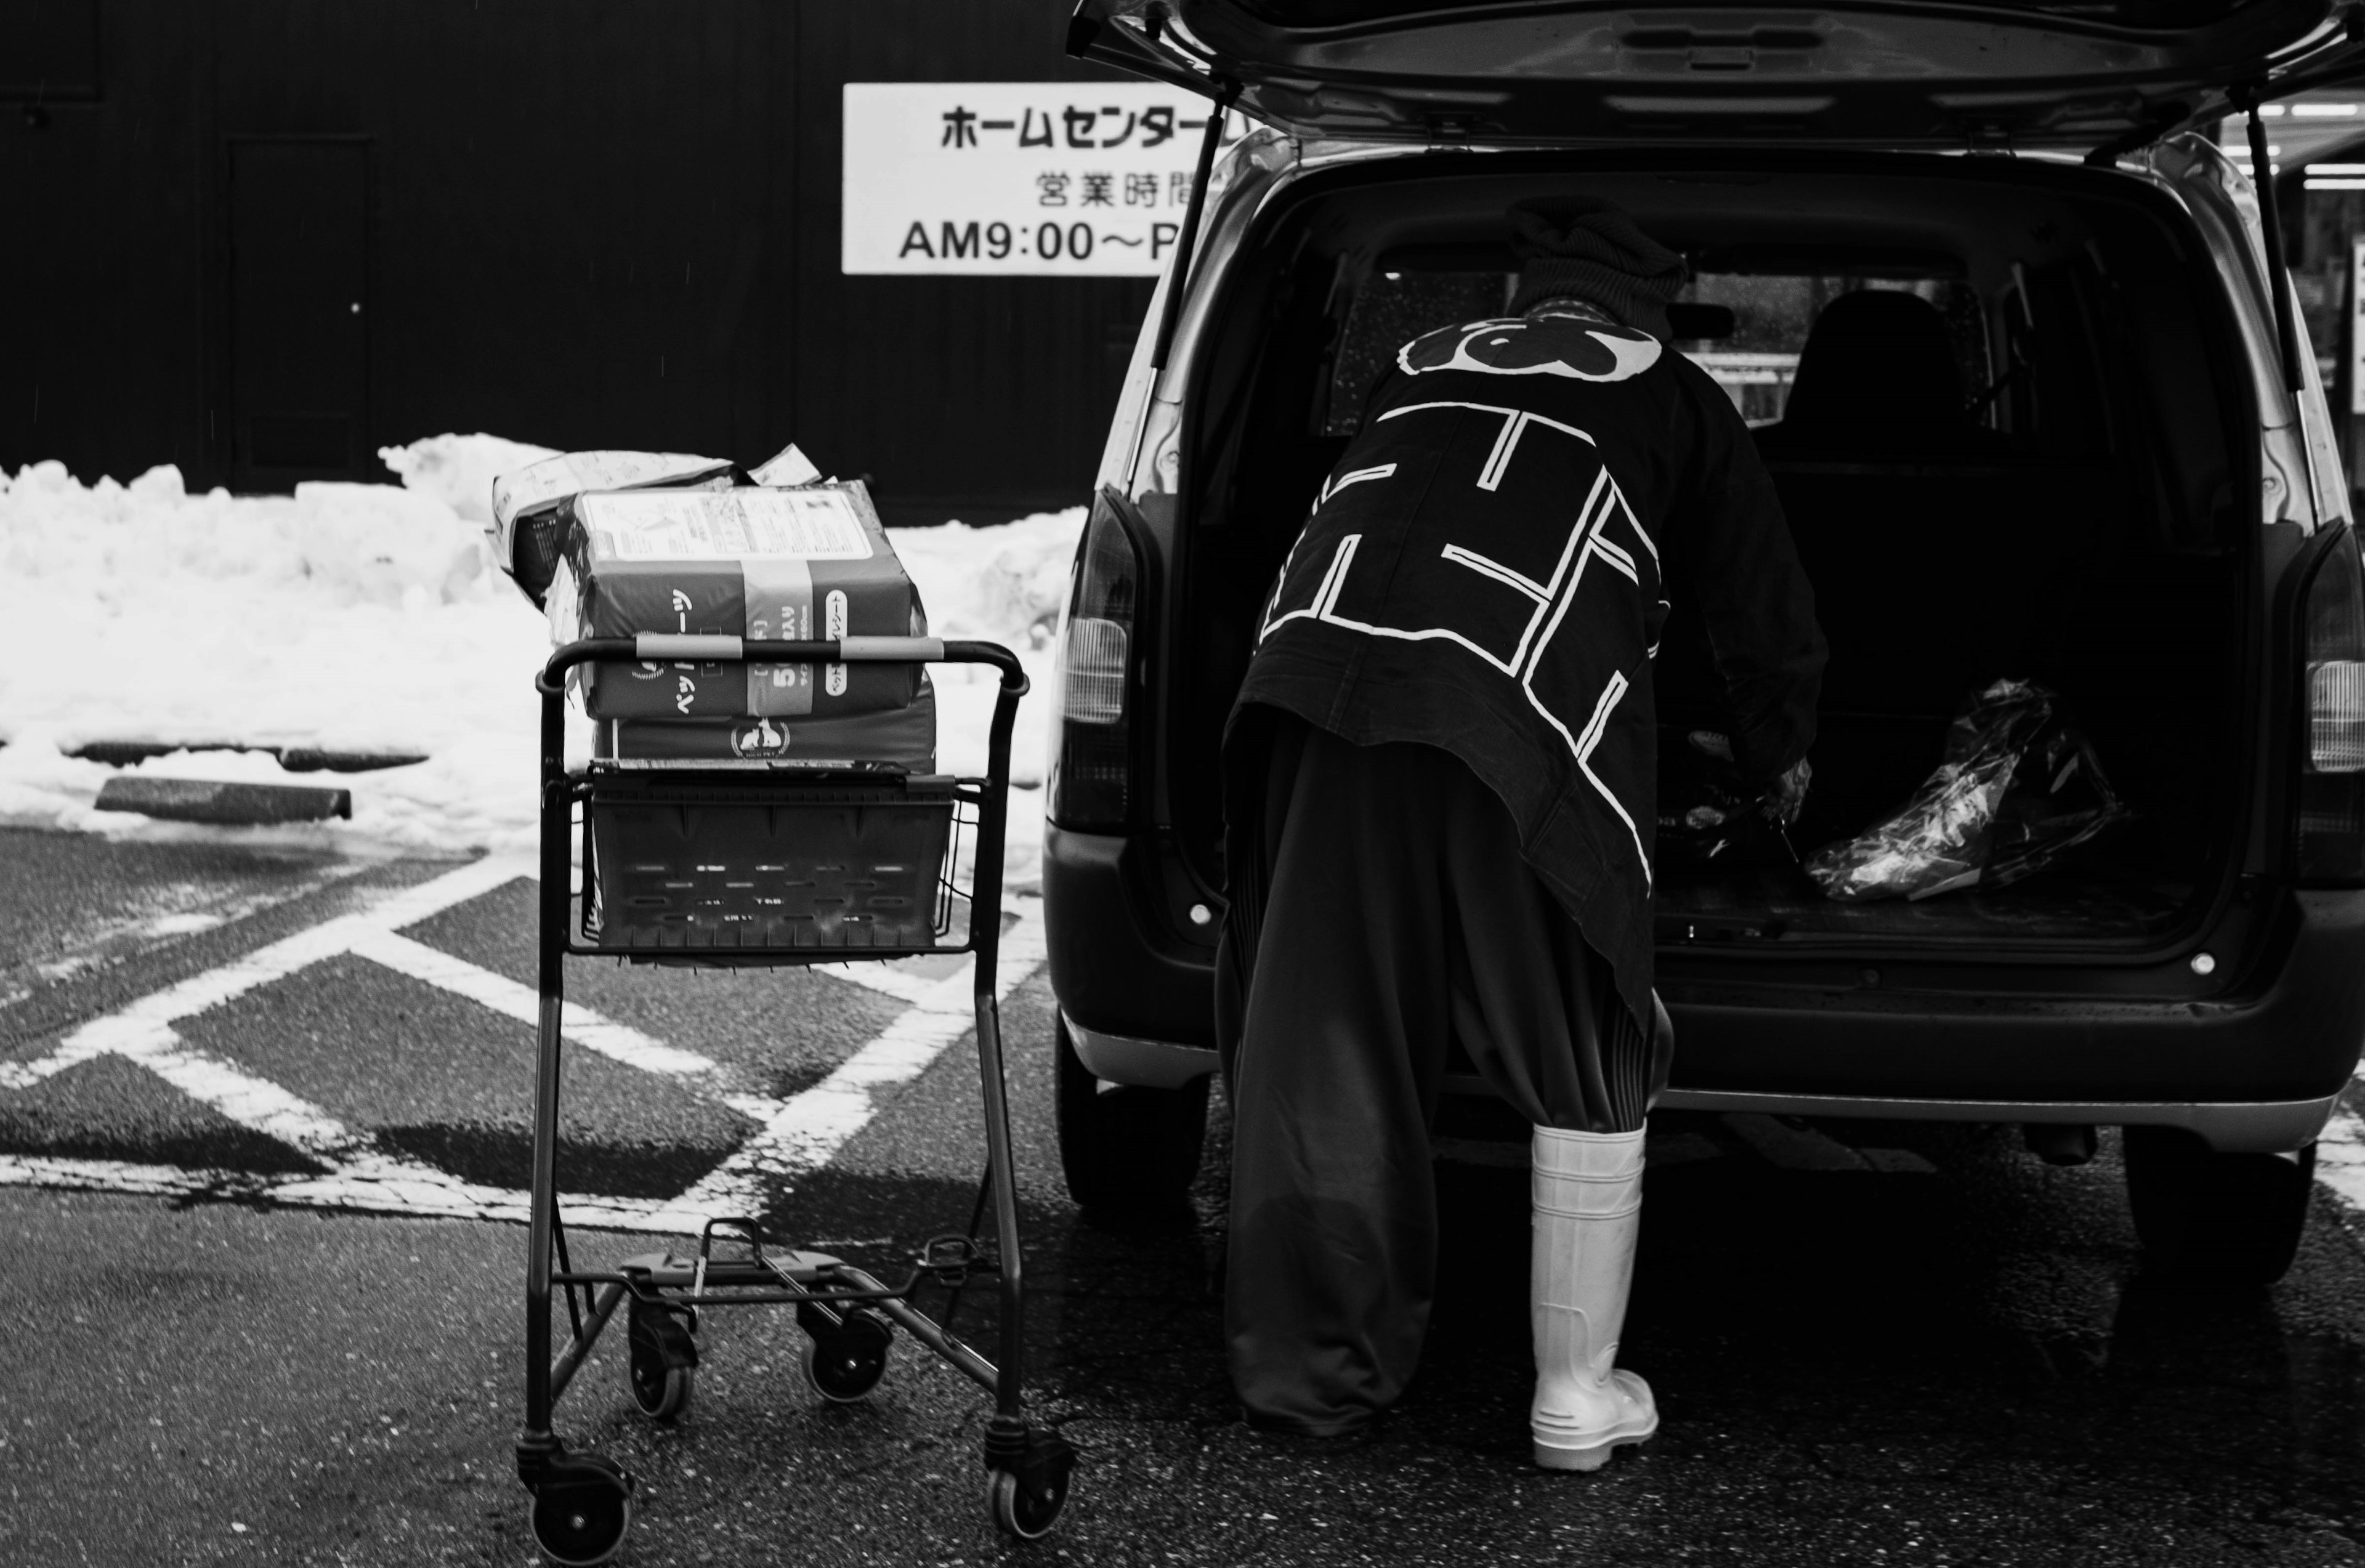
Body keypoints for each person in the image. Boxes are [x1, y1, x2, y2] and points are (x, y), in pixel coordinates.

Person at [1213, 196, 1825, 1468]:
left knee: (1326, 1026)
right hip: (1516, 700)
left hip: (1317, 687)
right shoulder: (1677, 396)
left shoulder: (1421, 361)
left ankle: (1311, 1377)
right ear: (1648, 311)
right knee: (1588, 1021)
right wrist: (1780, 765)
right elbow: (1765, 616)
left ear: (1525, 297)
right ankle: (1575, 1390)